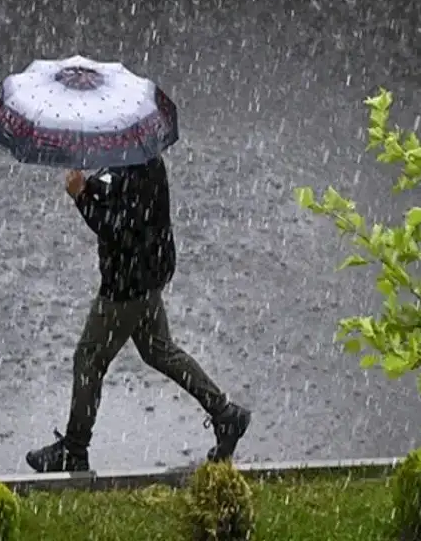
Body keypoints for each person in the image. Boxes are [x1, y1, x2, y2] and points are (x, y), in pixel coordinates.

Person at [25, 154, 251, 473]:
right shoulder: (136, 157)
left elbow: (117, 228)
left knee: (89, 359)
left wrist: (80, 196)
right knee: (158, 350)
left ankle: (74, 450)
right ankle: (227, 415)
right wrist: (92, 187)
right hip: (145, 274)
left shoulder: (138, 167)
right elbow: (117, 199)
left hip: (127, 284)